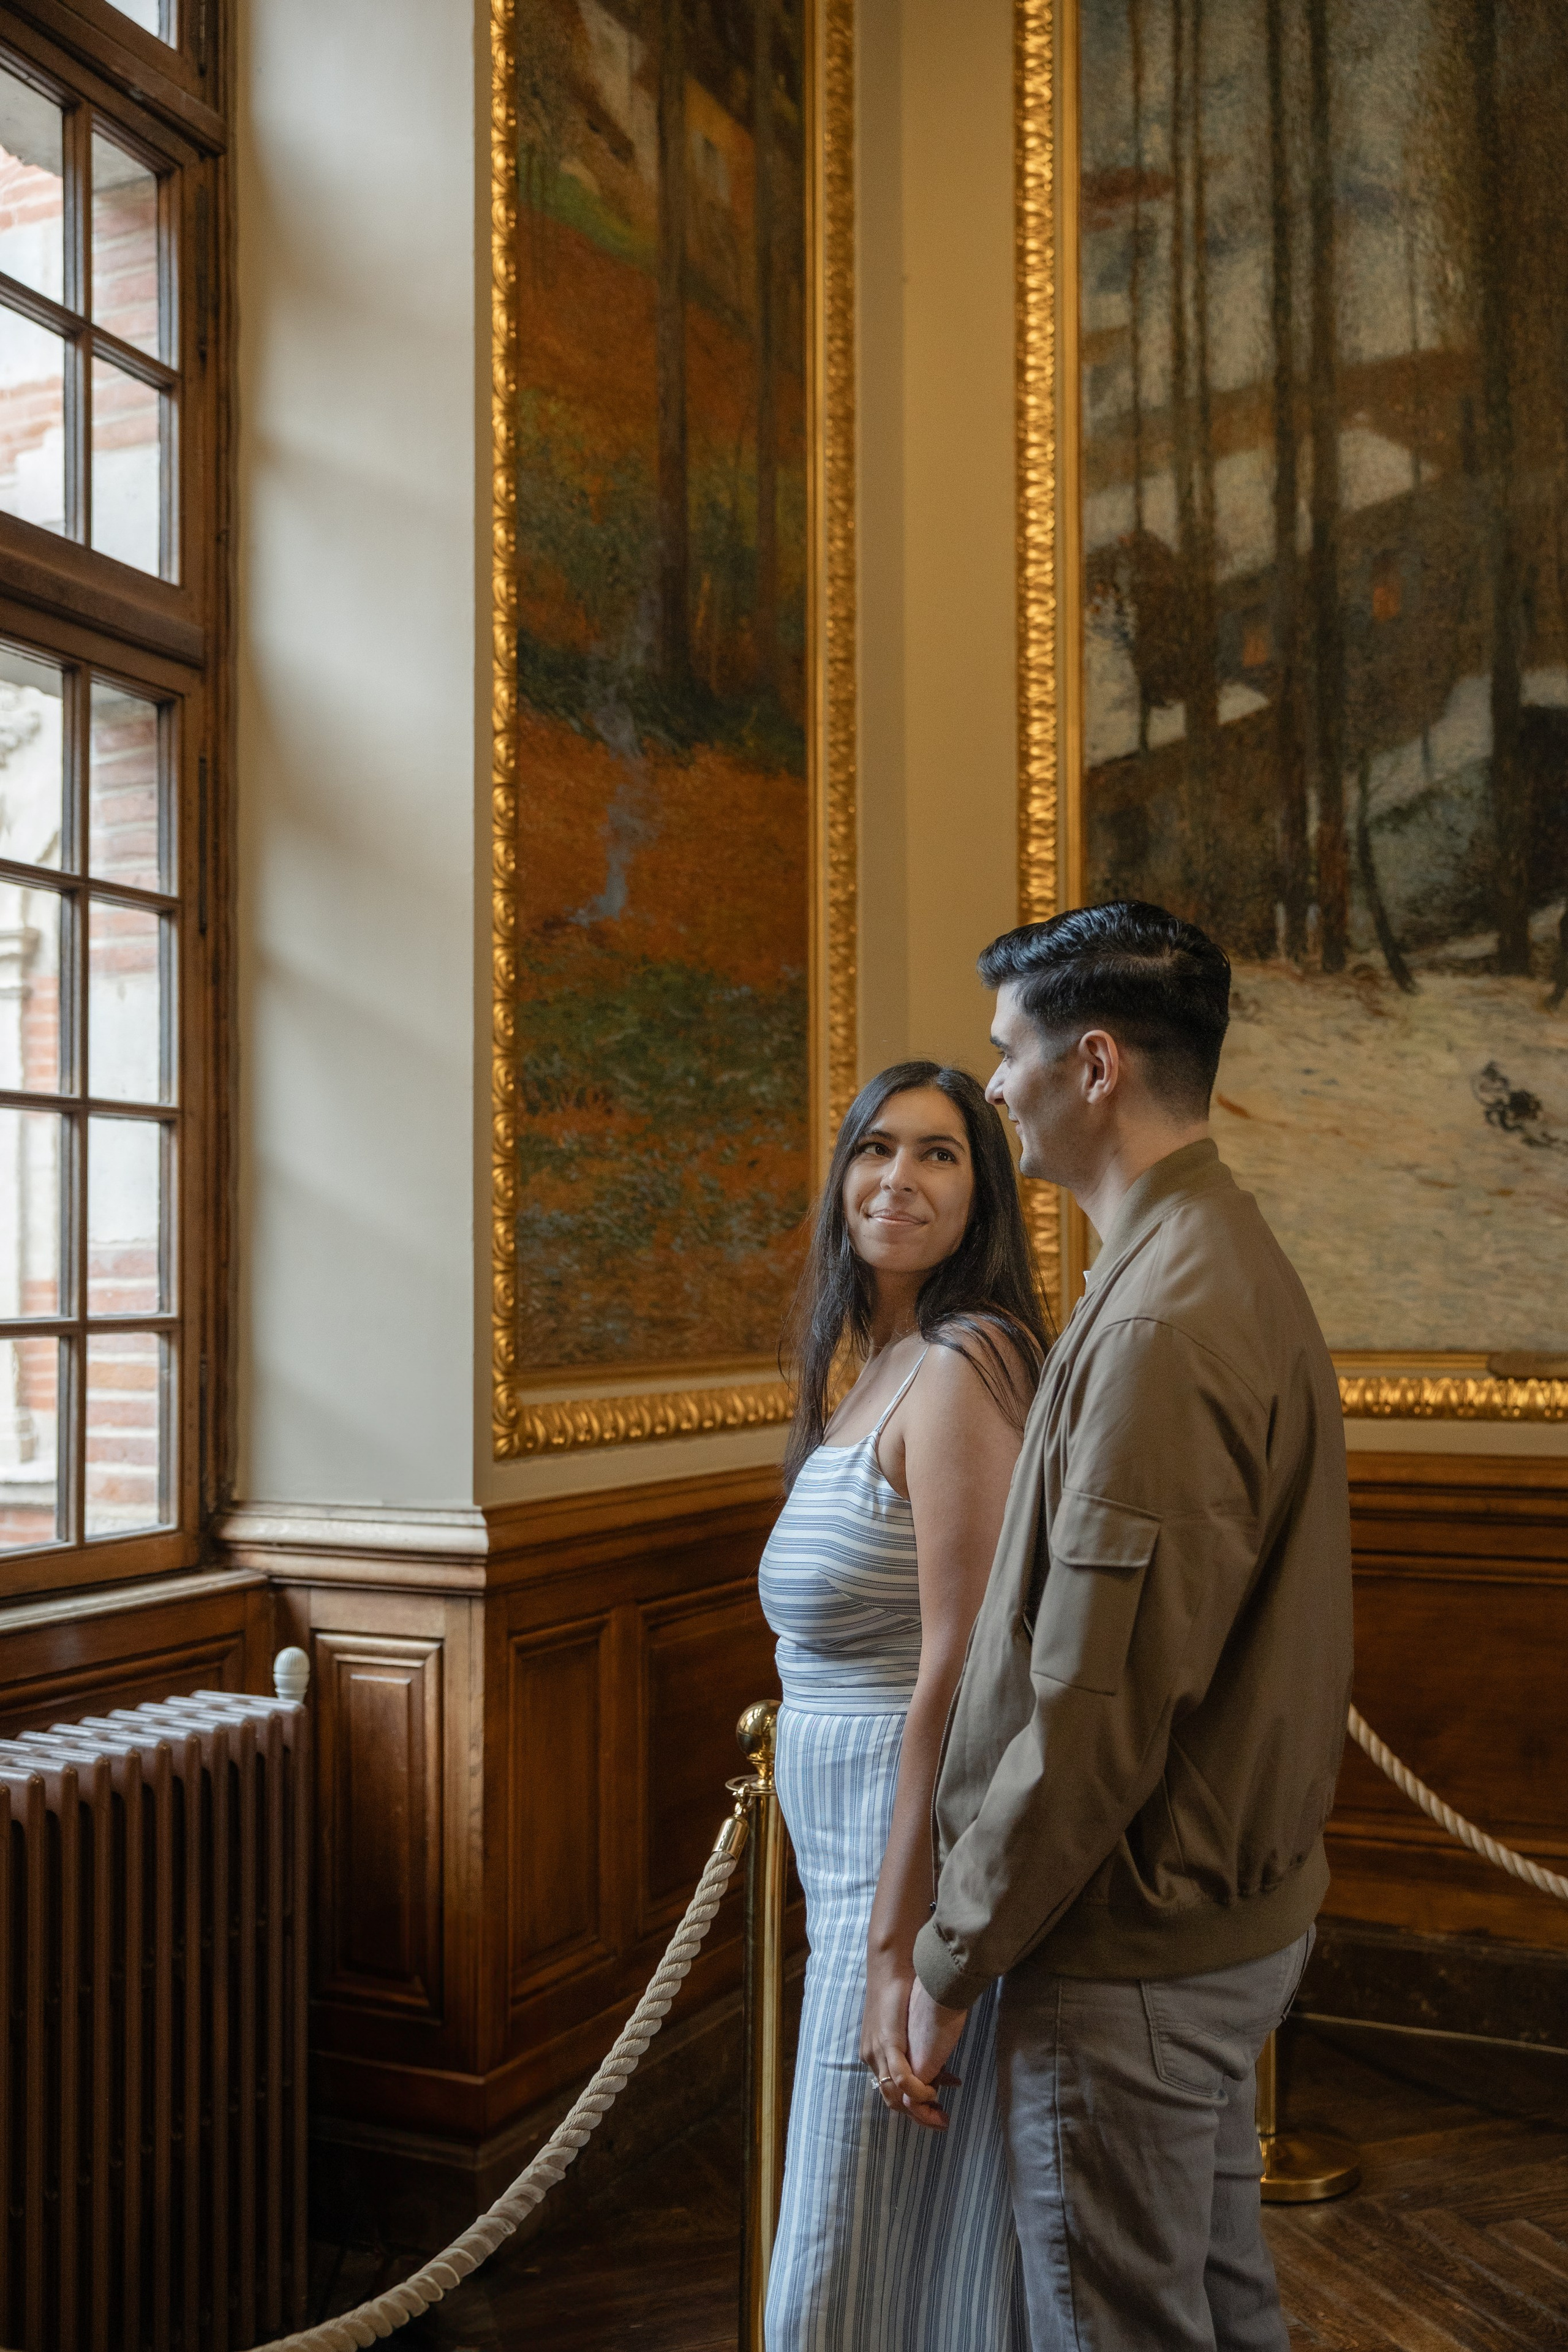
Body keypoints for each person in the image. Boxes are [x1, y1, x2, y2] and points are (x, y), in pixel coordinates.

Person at [906, 902, 1354, 2352]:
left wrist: (951, 1951)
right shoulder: (1200, 1253)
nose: (991, 1090)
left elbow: (1093, 1709)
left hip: (1128, 1954)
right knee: (1215, 2310)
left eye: (1007, 1055)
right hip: (1190, 1931)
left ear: (1091, 1065)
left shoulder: (1166, 1312)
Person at [759, 1058, 1052, 2351]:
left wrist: (898, 1948)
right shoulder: (876, 1361)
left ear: (983, 1193)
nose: (898, 1178)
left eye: (940, 1154)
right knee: (872, 2224)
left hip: (904, 1856)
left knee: (847, 2235)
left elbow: (960, 1662)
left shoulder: (963, 1362)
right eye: (876, 1148)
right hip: (845, 1871)